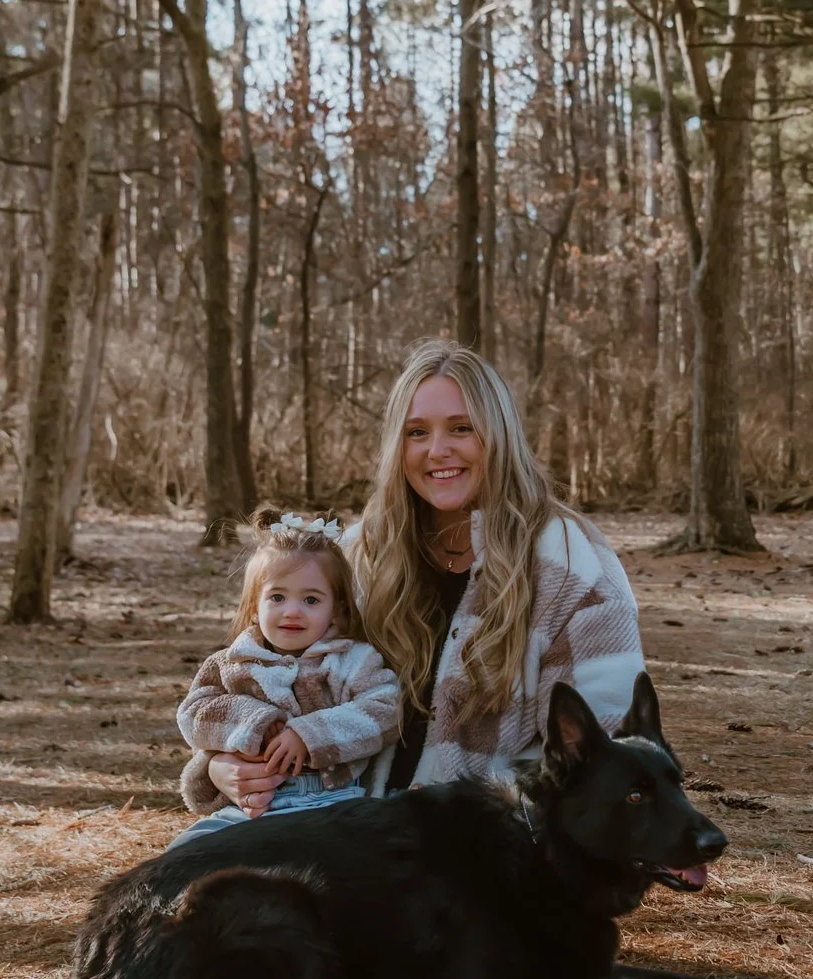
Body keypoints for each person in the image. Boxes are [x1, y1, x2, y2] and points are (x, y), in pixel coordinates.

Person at [204, 340, 645, 816]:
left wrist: (461, 811)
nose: (438, 451)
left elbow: (604, 751)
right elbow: (259, 676)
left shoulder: (571, 561)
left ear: (499, 435)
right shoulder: (361, 553)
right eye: (417, 433)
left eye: (462, 428)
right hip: (336, 820)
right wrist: (219, 767)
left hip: (489, 847)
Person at [170, 513, 401, 846]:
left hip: (333, 802)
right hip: (252, 805)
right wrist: (253, 721)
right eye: (277, 597)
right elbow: (194, 714)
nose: (292, 611)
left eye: (311, 600)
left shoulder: (350, 660)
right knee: (186, 852)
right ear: (254, 607)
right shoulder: (232, 663)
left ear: (335, 609)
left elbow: (385, 710)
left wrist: (309, 735)